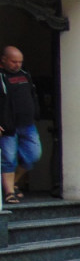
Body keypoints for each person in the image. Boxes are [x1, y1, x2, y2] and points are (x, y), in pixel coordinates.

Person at [0, 46, 42, 204]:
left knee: (33, 155)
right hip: (8, 126)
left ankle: (13, 181)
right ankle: (9, 192)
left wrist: (36, 112)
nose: (17, 65)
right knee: (8, 158)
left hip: (28, 124)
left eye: (20, 62)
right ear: (3, 59)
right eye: (13, 61)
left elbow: (33, 95)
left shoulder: (25, 75)